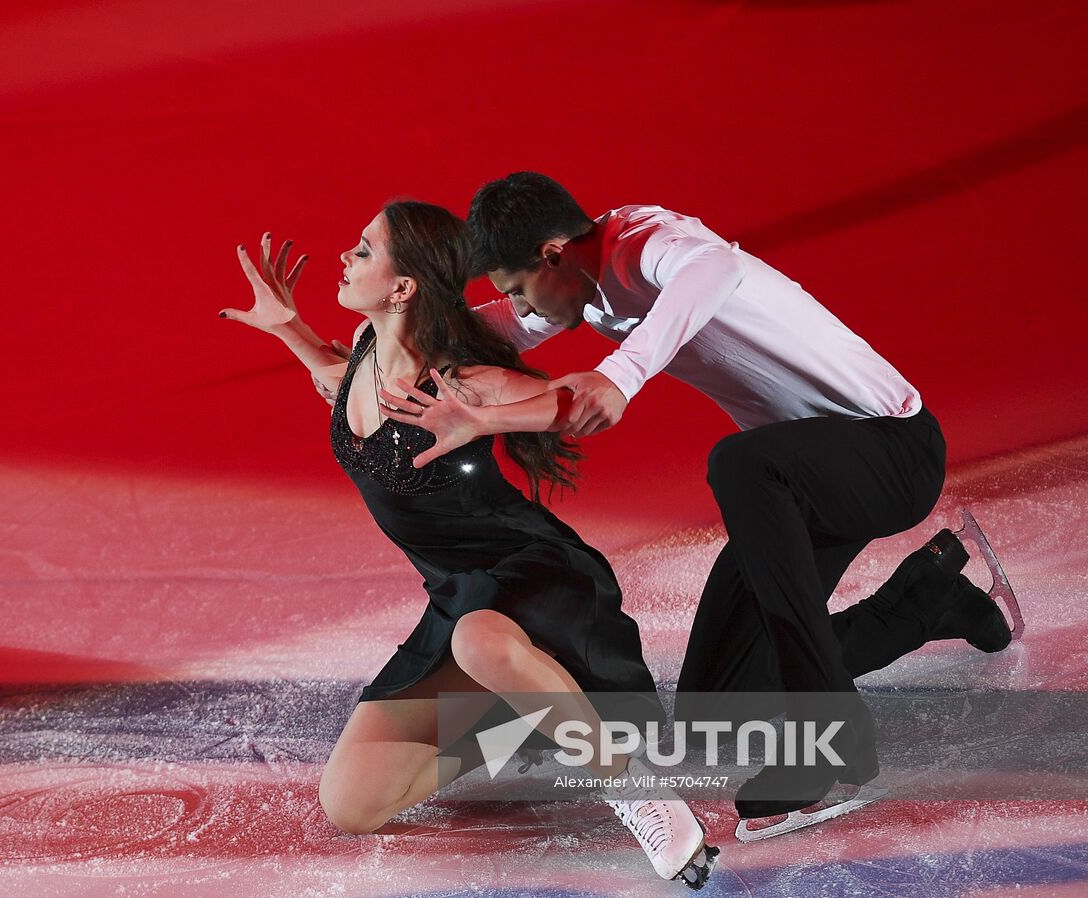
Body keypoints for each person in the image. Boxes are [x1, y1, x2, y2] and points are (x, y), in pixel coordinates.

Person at [377, 172, 1013, 832]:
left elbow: (712, 267)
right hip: (804, 481)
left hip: (892, 452)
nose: (520, 305)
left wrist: (621, 373)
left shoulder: (643, 240)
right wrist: (378, 351)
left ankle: (831, 735)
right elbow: (503, 329)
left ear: (553, 254)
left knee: (737, 462)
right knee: (718, 707)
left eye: (516, 285)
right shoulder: (579, 287)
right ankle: (926, 602)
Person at [220, 200, 719, 887]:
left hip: (533, 576)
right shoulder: (365, 355)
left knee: (480, 641)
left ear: (403, 288)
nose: (345, 257)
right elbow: (348, 397)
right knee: (353, 805)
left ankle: (635, 788)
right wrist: (293, 332)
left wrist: (486, 417)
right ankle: (529, 704)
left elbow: (572, 405)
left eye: (364, 250)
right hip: (457, 593)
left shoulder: (462, 384)